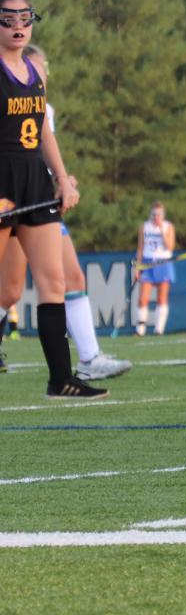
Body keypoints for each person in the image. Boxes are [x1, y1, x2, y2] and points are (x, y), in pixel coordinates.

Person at [0, 47, 131, 381]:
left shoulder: (43, 104)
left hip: (40, 199)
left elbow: (46, 145)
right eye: (39, 67)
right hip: (15, 197)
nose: (42, 74)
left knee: (69, 277)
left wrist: (61, 178)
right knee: (11, 291)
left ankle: (87, 359)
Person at [0, 0, 98, 397]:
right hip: (2, 180)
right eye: (8, 19)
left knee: (53, 280)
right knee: (5, 289)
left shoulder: (33, 71)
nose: (18, 25)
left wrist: (62, 178)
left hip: (34, 181)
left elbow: (42, 131)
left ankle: (61, 378)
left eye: (25, 17)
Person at [134, 201, 176, 335]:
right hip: (147, 263)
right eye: (154, 214)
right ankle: (140, 330)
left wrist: (161, 232)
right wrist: (137, 267)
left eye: (159, 214)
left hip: (163, 263)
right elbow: (140, 248)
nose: (156, 217)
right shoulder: (144, 227)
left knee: (162, 298)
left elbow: (170, 247)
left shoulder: (168, 227)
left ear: (163, 215)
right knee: (143, 298)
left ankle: (159, 329)